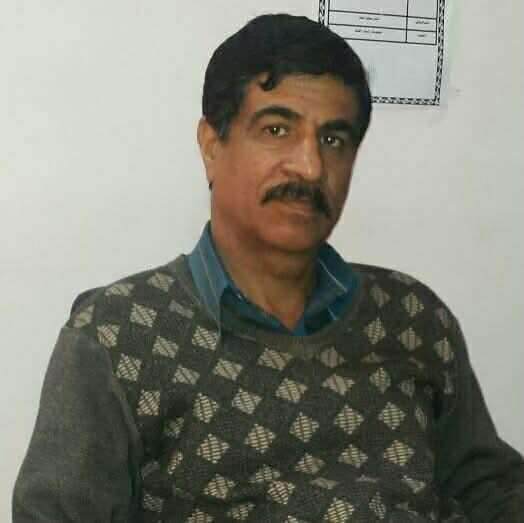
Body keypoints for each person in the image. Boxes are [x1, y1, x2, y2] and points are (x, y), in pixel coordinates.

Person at [13, 13, 524, 522]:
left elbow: (493, 492)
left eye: (333, 140)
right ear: (212, 146)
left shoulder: (413, 318)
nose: (310, 167)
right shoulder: (118, 338)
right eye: (277, 130)